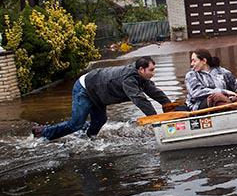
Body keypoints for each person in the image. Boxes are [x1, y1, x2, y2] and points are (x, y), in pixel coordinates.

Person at [33, 56, 171, 140]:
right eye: (151, 70)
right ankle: (43, 132)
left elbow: (154, 92)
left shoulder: (142, 79)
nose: (154, 73)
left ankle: (86, 138)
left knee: (100, 120)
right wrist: (156, 120)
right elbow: (139, 99)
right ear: (141, 69)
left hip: (98, 93)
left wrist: (170, 108)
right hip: (85, 89)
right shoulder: (129, 79)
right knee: (76, 123)